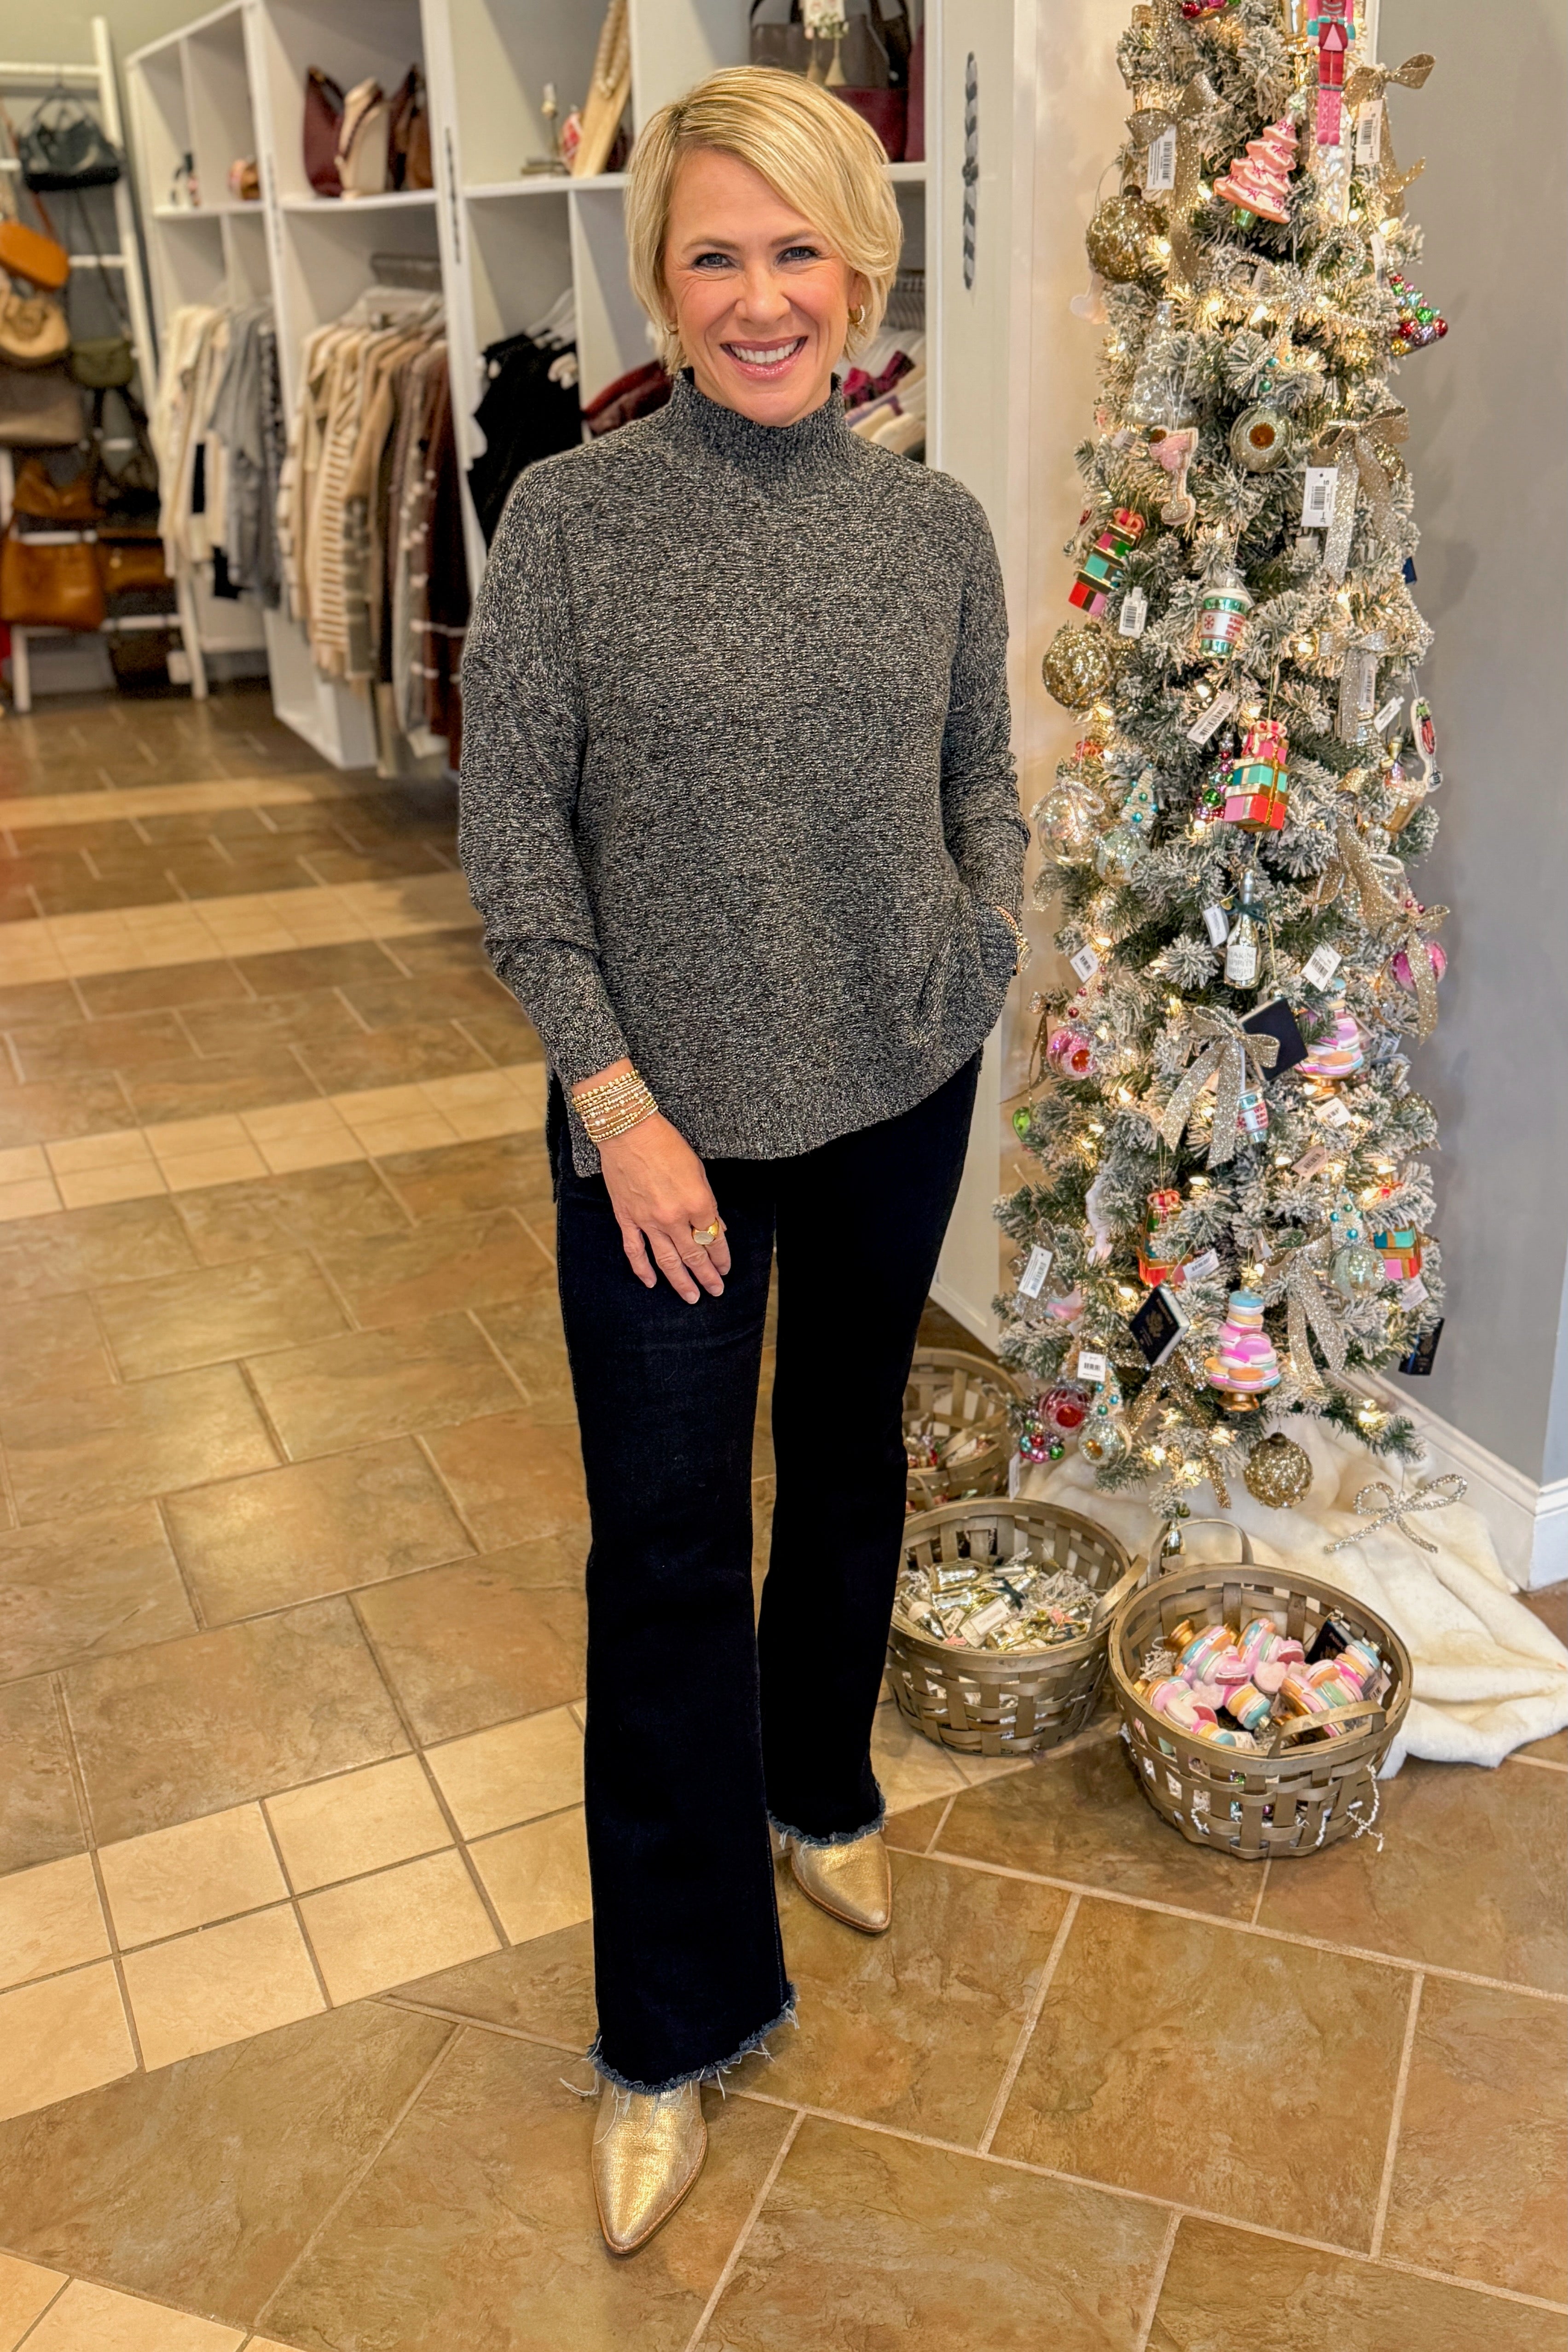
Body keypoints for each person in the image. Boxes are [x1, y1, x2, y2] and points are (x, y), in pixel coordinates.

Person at [458, 64, 1027, 2256]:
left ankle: (820, 1782)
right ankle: (671, 2021)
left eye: (800, 249)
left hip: (894, 1084)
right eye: (718, 252)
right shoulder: (576, 526)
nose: (762, 296)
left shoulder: (935, 532)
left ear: (859, 269)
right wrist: (619, 1112)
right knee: (668, 1543)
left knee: (858, 1447)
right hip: (657, 1132)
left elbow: (982, 773)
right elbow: (516, 848)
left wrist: (973, 948)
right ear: (662, 280)